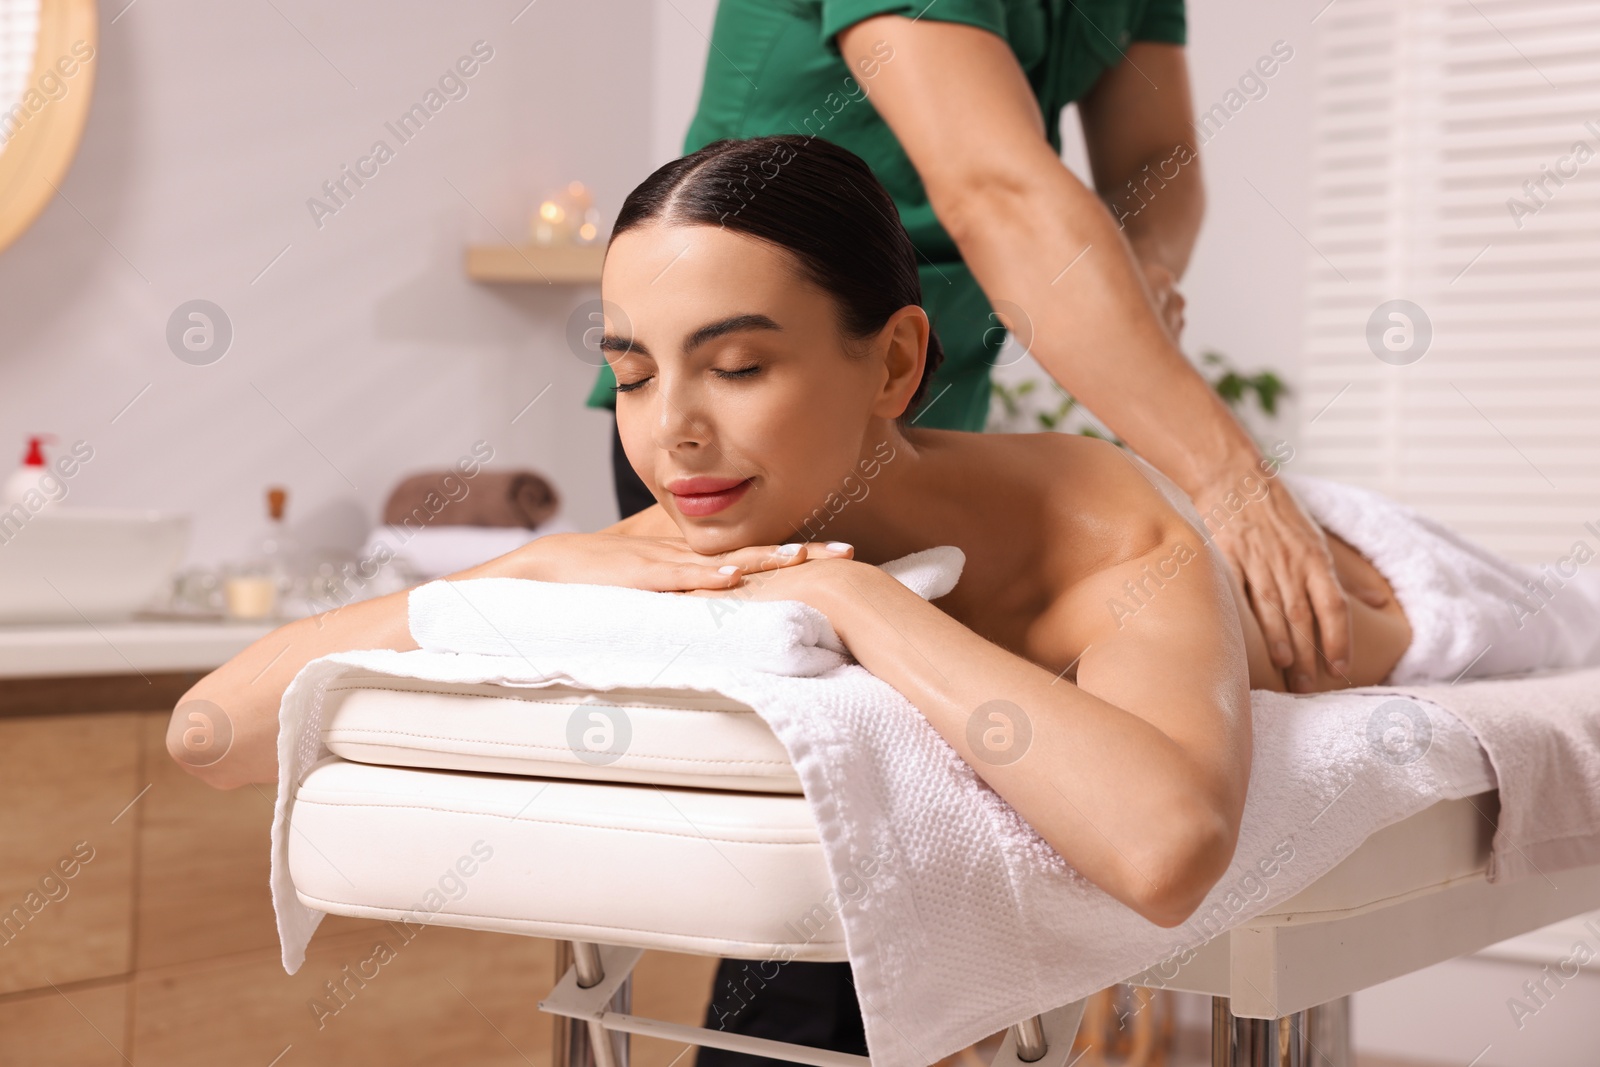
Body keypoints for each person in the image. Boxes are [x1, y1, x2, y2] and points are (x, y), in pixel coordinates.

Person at [172, 135, 1430, 1067]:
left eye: (737, 364)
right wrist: (514, 569)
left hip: (1383, 597)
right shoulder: (697, 517)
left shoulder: (1118, 532)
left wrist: (866, 604)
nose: (675, 432)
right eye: (633, 373)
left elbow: (1164, 852)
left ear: (893, 360)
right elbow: (209, 733)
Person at [595, 0, 1375, 706]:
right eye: (631, 376)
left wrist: (1148, 264)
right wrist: (1225, 475)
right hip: (751, 459)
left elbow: (1155, 159)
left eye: (738, 366)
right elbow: (994, 187)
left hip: (928, 396)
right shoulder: (703, 425)